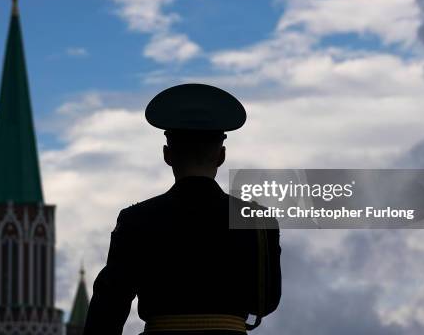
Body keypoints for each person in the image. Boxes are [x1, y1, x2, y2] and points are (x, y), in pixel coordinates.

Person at [84, 83, 281, 335]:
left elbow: (109, 307)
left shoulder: (137, 219)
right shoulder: (257, 220)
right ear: (221, 156)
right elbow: (266, 302)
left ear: (167, 155)